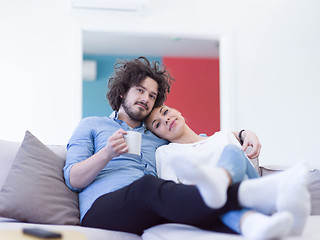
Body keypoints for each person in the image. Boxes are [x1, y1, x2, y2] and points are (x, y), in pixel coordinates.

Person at [63, 56, 303, 237]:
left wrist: (243, 133)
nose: (146, 99)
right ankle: (259, 193)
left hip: (152, 210)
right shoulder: (91, 125)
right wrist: (108, 153)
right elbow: (73, 178)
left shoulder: (157, 135)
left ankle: (258, 222)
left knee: (206, 213)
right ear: (122, 91)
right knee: (145, 187)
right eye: (140, 90)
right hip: (103, 211)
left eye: (152, 95)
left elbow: (200, 141)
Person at [145, 105, 311, 238]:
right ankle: (257, 221)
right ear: (157, 135)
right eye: (157, 124)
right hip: (208, 206)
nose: (165, 119)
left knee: (232, 151)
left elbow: (248, 173)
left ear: (177, 111)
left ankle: (219, 181)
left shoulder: (224, 137)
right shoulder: (166, 153)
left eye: (165, 112)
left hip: (249, 193)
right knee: (215, 198)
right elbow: (171, 193)